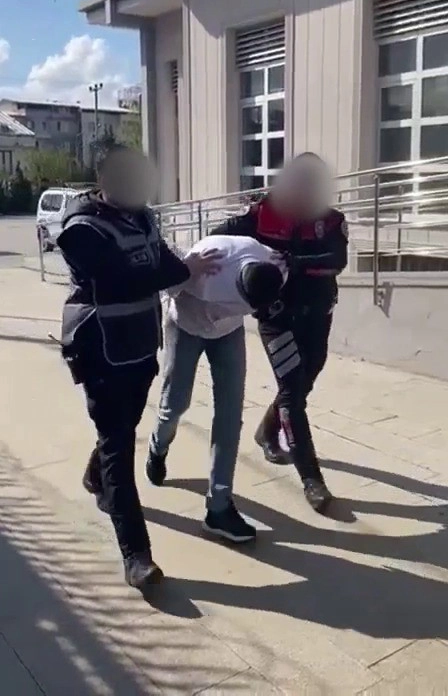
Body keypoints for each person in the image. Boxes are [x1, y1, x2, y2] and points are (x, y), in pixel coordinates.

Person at [57, 145, 221, 590]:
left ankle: (96, 477)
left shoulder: (143, 218)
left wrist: (193, 267)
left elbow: (165, 263)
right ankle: (137, 556)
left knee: (121, 430)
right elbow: (119, 282)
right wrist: (180, 271)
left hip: (140, 347)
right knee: (119, 446)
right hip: (100, 350)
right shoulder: (80, 228)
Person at [211, 153, 348, 514]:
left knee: (303, 383)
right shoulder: (262, 213)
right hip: (276, 318)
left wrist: (294, 263)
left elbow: (337, 260)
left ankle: (267, 432)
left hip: (317, 314)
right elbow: (218, 239)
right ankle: (312, 479)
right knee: (292, 393)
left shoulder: (332, 221)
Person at [145, 233, 285, 543]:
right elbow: (168, 286)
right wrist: (187, 270)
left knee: (230, 416)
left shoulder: (272, 266)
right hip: (186, 324)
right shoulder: (210, 268)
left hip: (228, 333)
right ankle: (158, 446)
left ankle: (219, 507)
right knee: (175, 403)